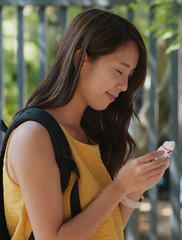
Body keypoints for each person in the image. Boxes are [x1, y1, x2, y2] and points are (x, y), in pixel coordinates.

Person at [2, 8, 170, 239]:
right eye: (119, 70)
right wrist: (119, 187)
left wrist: (134, 189)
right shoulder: (34, 136)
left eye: (129, 76)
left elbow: (103, 229)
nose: (123, 85)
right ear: (81, 60)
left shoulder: (89, 134)